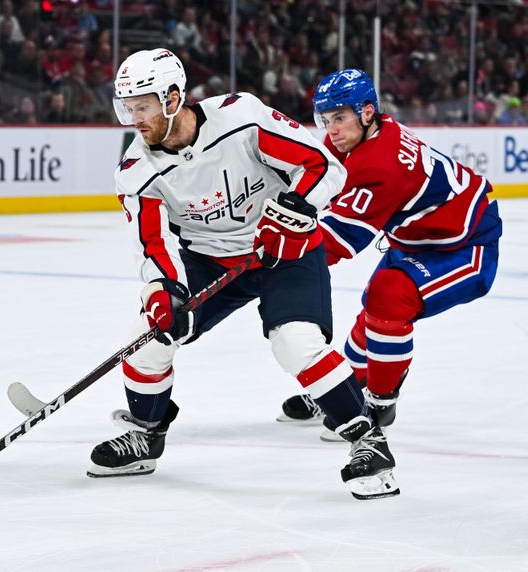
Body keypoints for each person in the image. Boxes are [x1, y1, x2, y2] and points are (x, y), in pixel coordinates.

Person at [89, 49, 400, 500]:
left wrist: (295, 209)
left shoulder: (243, 119)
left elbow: (320, 166)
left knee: (295, 342)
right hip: (211, 261)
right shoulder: (137, 172)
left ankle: (367, 441)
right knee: (145, 336)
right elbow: (153, 244)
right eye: (128, 108)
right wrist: (162, 289)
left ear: (173, 97)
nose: (135, 119)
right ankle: (144, 434)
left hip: (286, 249)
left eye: (143, 107)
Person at [277, 69, 502, 441]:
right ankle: (343, 392)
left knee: (388, 297)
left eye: (339, 118)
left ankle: (378, 404)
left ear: (367, 113)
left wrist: (280, 259)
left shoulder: (380, 164)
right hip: (421, 238)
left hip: (467, 244)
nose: (331, 129)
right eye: (326, 119)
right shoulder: (363, 135)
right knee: (375, 306)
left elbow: (339, 241)